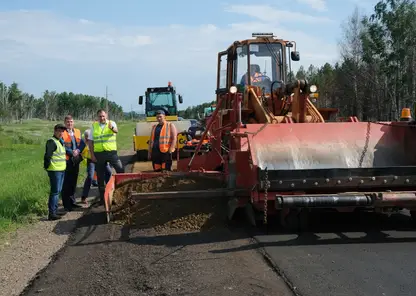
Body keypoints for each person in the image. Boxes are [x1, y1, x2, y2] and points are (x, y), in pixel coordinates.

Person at [88, 109, 124, 203]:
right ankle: (102, 199)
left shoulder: (112, 123)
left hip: (111, 152)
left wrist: (111, 127)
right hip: (99, 154)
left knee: (120, 170)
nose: (102, 118)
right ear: (97, 117)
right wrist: (92, 154)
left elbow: (116, 131)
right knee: (100, 177)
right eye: (100, 116)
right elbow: (90, 141)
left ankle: (121, 191)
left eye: (103, 116)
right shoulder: (94, 126)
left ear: (106, 116)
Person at [80, 129, 112, 205]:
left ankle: (109, 191)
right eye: (86, 137)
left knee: (109, 172)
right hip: (91, 161)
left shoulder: (98, 141)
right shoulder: (84, 144)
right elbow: (81, 152)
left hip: (100, 160)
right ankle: (84, 196)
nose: (88, 138)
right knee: (90, 177)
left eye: (89, 137)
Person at [61, 115, 85, 211]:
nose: (69, 123)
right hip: (67, 160)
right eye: (67, 122)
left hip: (76, 160)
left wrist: (78, 151)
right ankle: (66, 205)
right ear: (65, 123)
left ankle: (73, 202)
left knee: (74, 182)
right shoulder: (62, 133)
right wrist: (72, 152)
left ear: (73, 122)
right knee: (67, 182)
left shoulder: (77, 131)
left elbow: (82, 143)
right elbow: (62, 145)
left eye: (71, 122)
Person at [43, 124, 67, 220]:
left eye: (62, 131)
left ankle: (55, 210)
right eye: (59, 131)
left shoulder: (60, 141)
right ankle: (52, 213)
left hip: (61, 170)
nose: (61, 133)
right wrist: (47, 167)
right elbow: (47, 156)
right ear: (55, 131)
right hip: (54, 170)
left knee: (58, 191)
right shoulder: (51, 142)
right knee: (55, 192)